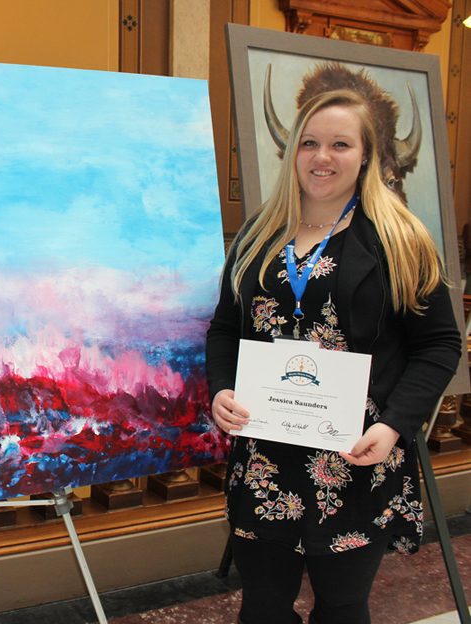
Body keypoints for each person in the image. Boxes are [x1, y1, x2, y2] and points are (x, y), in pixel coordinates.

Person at [206, 89, 462, 624]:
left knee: (342, 608)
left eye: (340, 144)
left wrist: (394, 425)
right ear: (292, 153)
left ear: (366, 155)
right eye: (309, 143)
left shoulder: (402, 239)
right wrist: (221, 388)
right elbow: (226, 328)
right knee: (263, 608)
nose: (322, 157)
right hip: (265, 458)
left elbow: (440, 343)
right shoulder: (257, 234)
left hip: (357, 456)